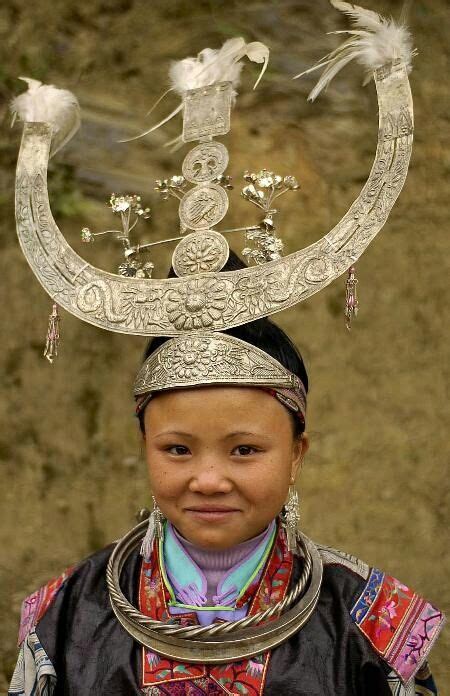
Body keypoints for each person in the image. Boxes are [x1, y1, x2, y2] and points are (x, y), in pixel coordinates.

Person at [8, 2, 445, 694]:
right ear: (143, 444)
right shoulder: (68, 612)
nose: (208, 479)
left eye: (245, 450)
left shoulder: (367, 620)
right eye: (177, 449)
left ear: (299, 449)